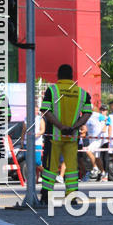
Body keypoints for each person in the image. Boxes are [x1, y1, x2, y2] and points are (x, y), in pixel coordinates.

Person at [39, 64, 92, 204]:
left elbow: (45, 111)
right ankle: (72, 196)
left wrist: (61, 127)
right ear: (71, 76)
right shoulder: (82, 93)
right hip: (72, 136)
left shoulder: (52, 90)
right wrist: (74, 127)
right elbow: (87, 113)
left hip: (54, 137)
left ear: (58, 75)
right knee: (72, 168)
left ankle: (46, 196)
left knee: (50, 167)